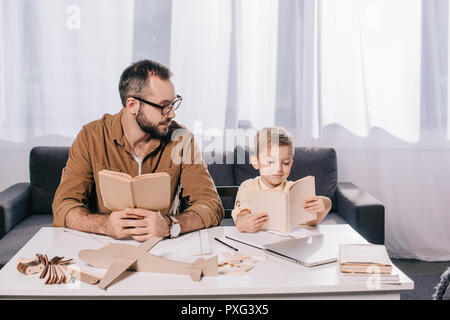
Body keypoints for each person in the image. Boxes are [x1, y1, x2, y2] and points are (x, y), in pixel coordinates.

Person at [52, 59, 224, 241]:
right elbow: (64, 206)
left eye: (173, 103)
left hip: (166, 248)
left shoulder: (181, 138)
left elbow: (211, 205)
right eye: (164, 106)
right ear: (132, 105)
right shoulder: (91, 137)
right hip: (105, 246)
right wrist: (104, 225)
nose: (172, 113)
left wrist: (171, 224)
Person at [231, 127, 331, 233]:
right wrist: (245, 223)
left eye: (285, 163)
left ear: (291, 164)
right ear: (256, 162)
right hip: (256, 242)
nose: (278, 169)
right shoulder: (248, 187)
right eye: (270, 161)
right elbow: (241, 219)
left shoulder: (294, 189)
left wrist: (326, 204)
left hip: (288, 244)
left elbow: (311, 222)